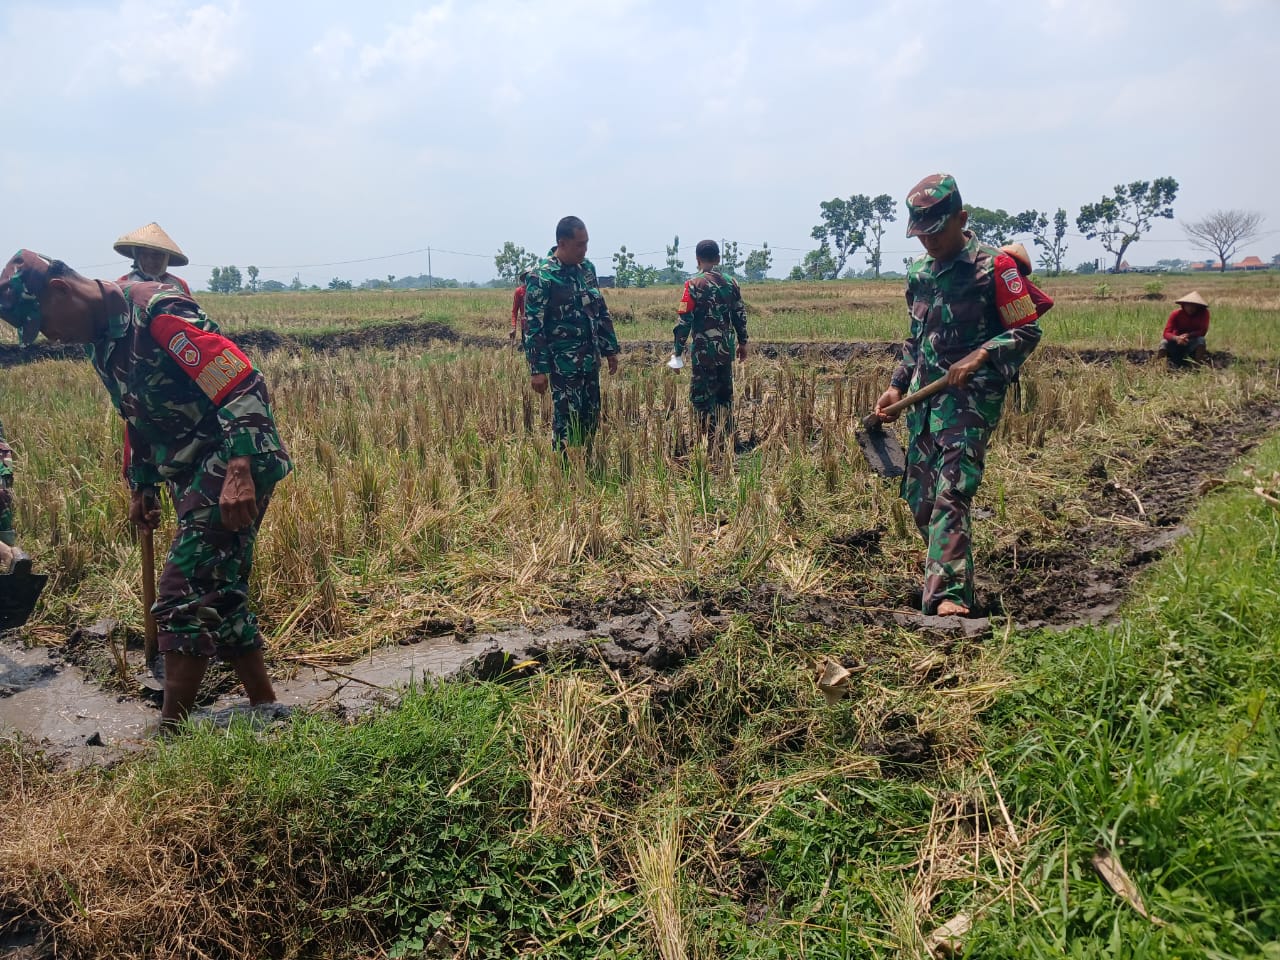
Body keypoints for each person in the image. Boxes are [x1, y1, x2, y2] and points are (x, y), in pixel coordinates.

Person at [0, 249, 292, 728]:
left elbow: (238, 380)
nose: (51, 337)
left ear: (61, 290)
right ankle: (265, 706)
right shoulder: (103, 340)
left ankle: (170, 734)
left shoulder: (157, 310)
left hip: (230, 456)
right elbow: (135, 413)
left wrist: (240, 467)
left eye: (45, 323)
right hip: (191, 470)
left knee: (180, 595)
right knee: (222, 590)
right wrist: (141, 484)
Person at [874, 174, 1044, 618]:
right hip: (924, 401)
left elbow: (1027, 329)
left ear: (962, 219)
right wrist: (896, 384)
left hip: (971, 400)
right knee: (920, 498)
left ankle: (949, 598)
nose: (929, 242)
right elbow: (916, 339)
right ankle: (947, 570)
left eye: (937, 232)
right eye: (920, 234)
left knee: (952, 489)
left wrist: (981, 354)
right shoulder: (919, 275)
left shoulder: (995, 269)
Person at [524, 217, 621, 450]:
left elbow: (600, 310)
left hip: (590, 359)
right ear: (562, 243)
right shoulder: (542, 276)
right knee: (567, 420)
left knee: (591, 416)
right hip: (564, 364)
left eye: (586, 243)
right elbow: (532, 325)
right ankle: (566, 473)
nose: (584, 249)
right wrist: (537, 369)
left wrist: (610, 350)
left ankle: (585, 463)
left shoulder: (587, 270)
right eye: (579, 244)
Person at [672, 240, 748, 442]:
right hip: (725, 349)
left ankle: (705, 439)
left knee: (701, 397)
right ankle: (726, 438)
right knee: (724, 394)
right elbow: (739, 314)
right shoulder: (731, 283)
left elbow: (684, 320)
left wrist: (677, 352)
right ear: (717, 259)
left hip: (703, 352)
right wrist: (743, 342)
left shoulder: (693, 285)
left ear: (697, 260)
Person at [114, 222, 192, 296]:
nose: (150, 260)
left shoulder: (178, 284)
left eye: (157, 255)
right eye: (145, 255)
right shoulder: (124, 282)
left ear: (166, 258)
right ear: (137, 257)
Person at [998, 242, 1055, 319]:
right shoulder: (1021, 279)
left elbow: (1047, 302)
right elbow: (1047, 302)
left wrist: (1028, 320)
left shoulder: (1020, 279)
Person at [1160, 291, 1210, 367]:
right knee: (1163, 343)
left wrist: (1188, 335)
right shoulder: (1176, 314)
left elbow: (1203, 331)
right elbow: (1166, 333)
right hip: (1176, 343)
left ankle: (1197, 366)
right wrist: (1177, 338)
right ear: (1183, 305)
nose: (1191, 308)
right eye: (1188, 305)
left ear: (1198, 306)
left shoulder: (1204, 313)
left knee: (1201, 340)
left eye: (1194, 306)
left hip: (1192, 341)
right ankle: (1160, 365)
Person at [509, 270, 528, 344]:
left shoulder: (539, 290)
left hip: (537, 326)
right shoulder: (519, 291)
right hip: (525, 324)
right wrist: (513, 327)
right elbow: (514, 311)